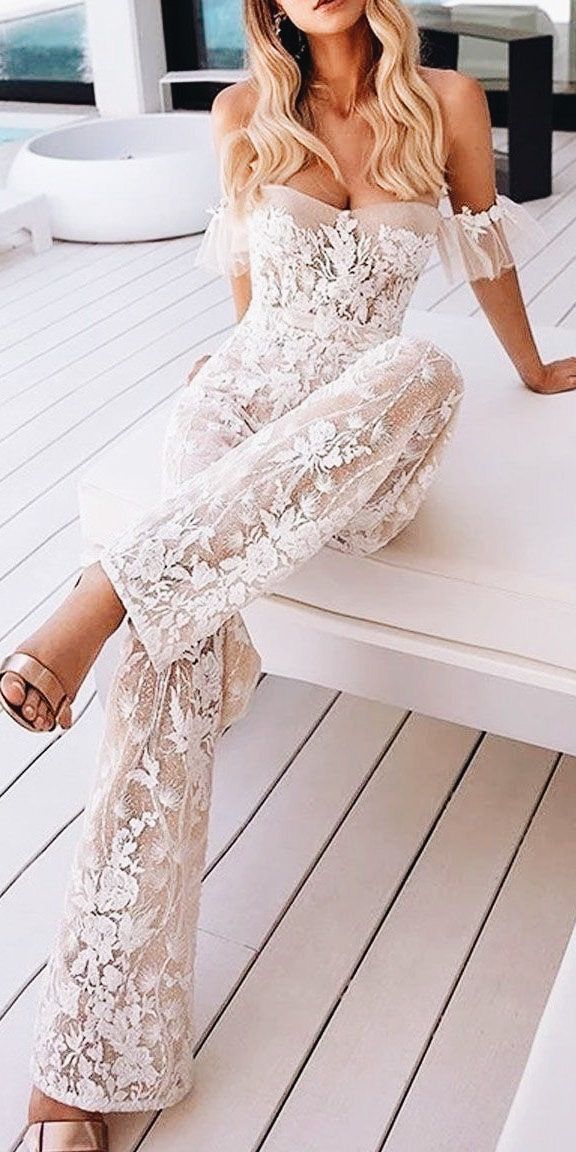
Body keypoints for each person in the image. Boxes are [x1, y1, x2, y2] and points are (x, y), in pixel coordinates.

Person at [3, 0, 576, 1148]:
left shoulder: (448, 103)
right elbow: (247, 287)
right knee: (171, 669)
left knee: (421, 363)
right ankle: (87, 1068)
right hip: (240, 413)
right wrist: (235, 369)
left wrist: (535, 364)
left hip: (361, 436)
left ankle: (106, 592)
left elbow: (485, 243)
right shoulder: (240, 111)